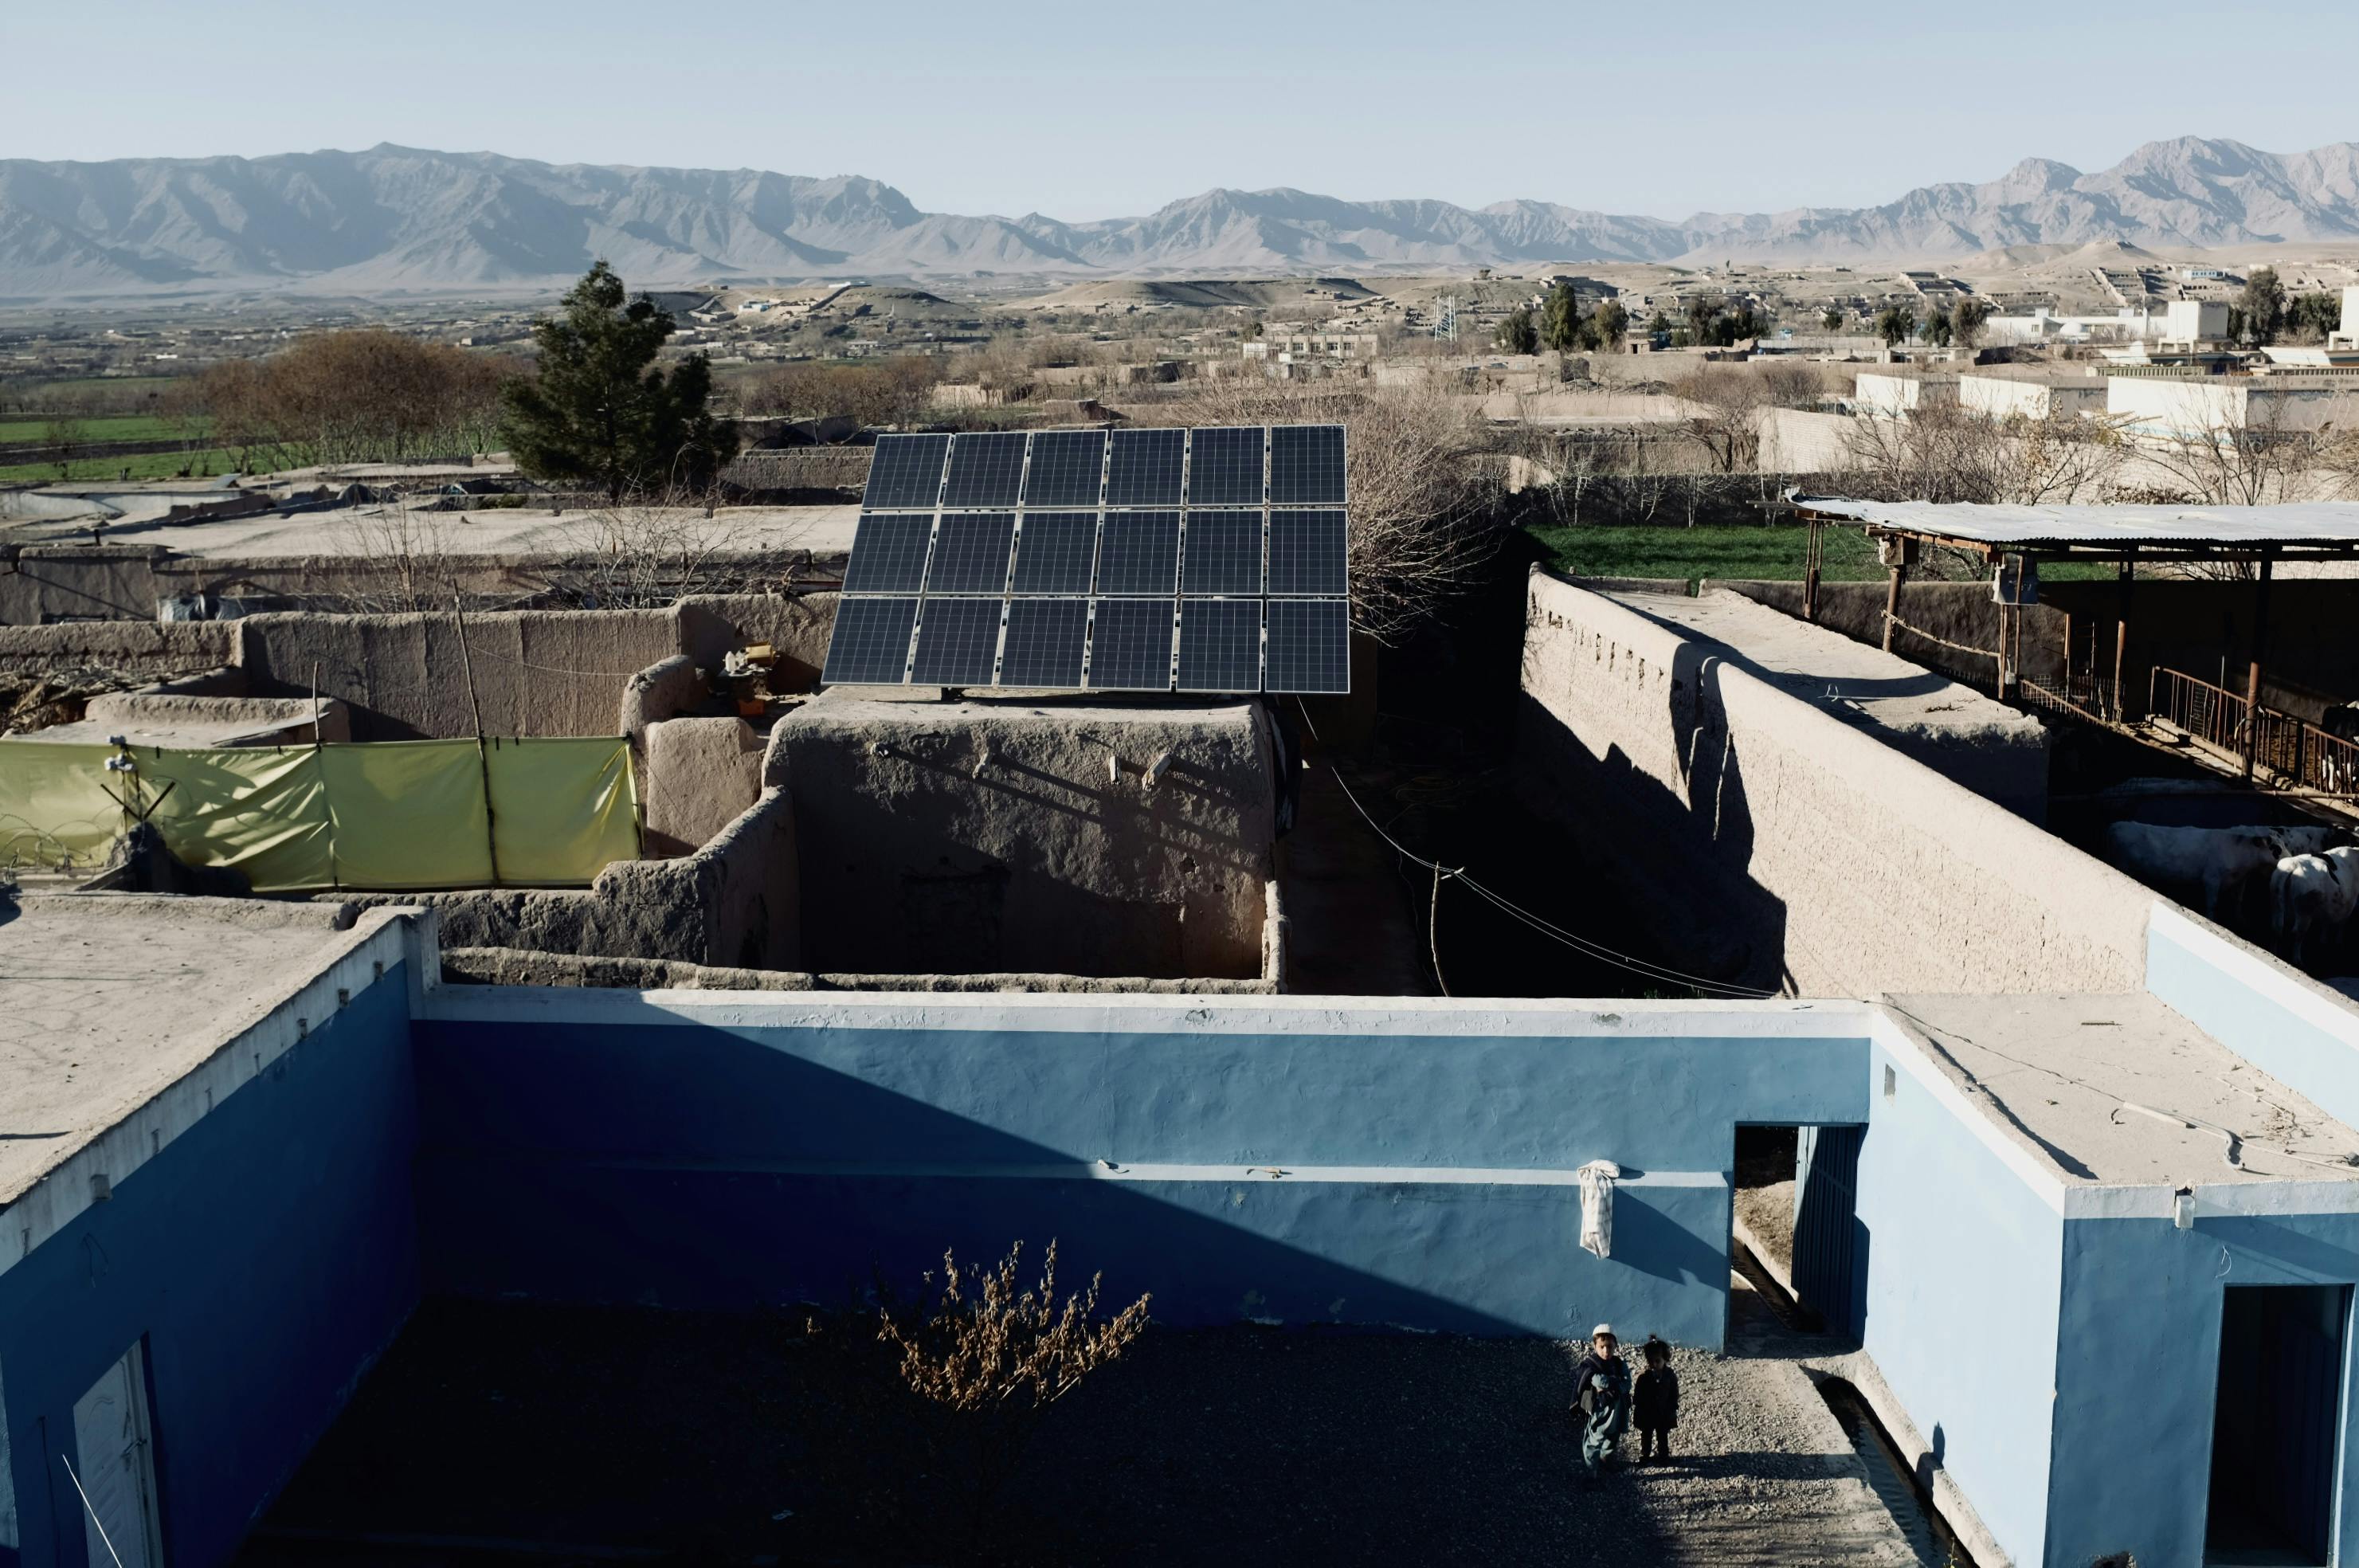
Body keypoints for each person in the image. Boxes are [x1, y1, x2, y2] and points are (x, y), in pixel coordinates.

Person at [1570, 1323, 1631, 1480]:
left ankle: (1607, 1459)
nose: (1606, 1351)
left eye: (1610, 1347)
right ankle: (1591, 1472)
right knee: (1593, 1441)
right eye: (1602, 1347)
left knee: (1613, 1437)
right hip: (1600, 1411)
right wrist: (1614, 1382)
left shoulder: (1618, 1364)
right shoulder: (1591, 1365)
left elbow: (1627, 1384)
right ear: (1595, 1346)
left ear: (1615, 1346)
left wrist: (1609, 1384)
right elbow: (1597, 1380)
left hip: (1617, 1411)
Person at [1633, 1335, 1679, 1463]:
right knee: (1646, 1434)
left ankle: (1663, 1455)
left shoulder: (1670, 1376)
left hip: (1663, 1412)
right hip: (1648, 1412)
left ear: (1665, 1359)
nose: (1654, 1364)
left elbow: (1674, 1393)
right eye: (1651, 1361)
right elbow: (1638, 1394)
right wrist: (1639, 1406)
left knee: (1662, 1434)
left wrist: (1673, 1406)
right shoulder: (1644, 1377)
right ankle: (1645, 1454)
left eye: (1657, 1361)